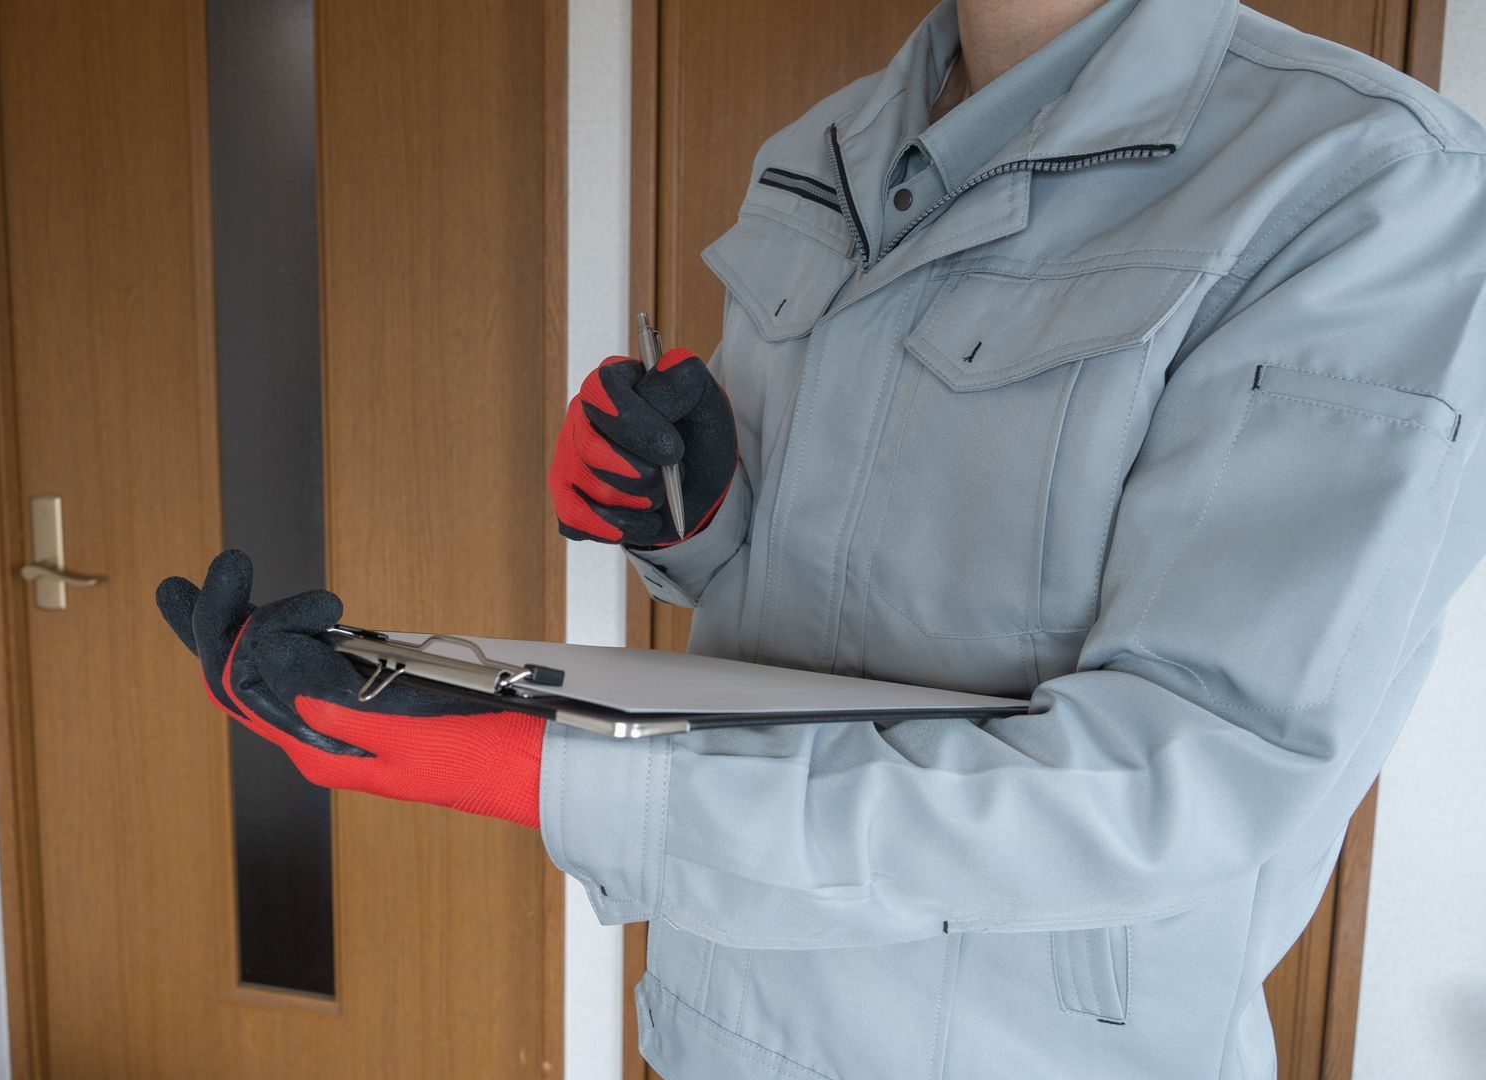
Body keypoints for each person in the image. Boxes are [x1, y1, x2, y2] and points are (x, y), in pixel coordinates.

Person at [156, 0, 1486, 1075]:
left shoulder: (1356, 187)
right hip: (728, 1010)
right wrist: (693, 516)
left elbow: (1174, 785)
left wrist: (550, 779)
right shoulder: (831, 144)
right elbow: (802, 606)